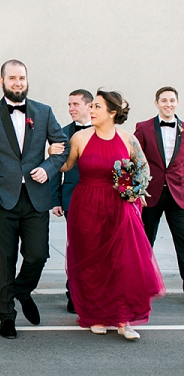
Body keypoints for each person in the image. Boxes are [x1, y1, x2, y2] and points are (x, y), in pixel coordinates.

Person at [0, 60, 69, 339]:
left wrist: (48, 168)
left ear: (27, 80)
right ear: (1, 81)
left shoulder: (44, 112)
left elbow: (63, 149)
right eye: (12, 78)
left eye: (22, 78)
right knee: (5, 259)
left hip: (37, 198)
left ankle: (22, 291)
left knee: (38, 254)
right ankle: (7, 316)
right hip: (0, 200)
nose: (18, 83)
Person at [61, 89, 165, 340]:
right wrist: (51, 154)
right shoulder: (79, 138)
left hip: (120, 208)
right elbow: (64, 166)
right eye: (92, 106)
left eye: (97, 107)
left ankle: (123, 319)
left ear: (112, 112)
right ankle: (96, 315)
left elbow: (143, 169)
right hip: (86, 206)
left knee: (123, 262)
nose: (91, 110)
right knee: (92, 262)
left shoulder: (129, 139)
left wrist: (136, 191)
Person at [134, 86, 184, 292]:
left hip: (178, 195)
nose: (168, 104)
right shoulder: (144, 127)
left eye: (172, 100)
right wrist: (138, 190)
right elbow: (135, 160)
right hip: (150, 195)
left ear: (177, 103)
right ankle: (138, 287)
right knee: (144, 243)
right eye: (164, 100)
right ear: (156, 103)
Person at [49, 89, 93, 313]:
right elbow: (56, 169)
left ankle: (95, 293)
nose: (71, 109)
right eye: (69, 105)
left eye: (75, 104)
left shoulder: (101, 132)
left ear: (89, 106)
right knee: (76, 247)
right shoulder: (63, 133)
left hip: (100, 199)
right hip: (72, 199)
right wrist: (55, 199)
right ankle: (73, 294)